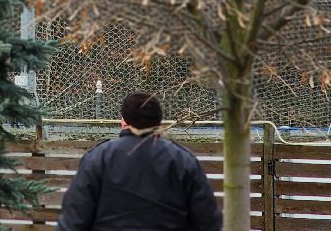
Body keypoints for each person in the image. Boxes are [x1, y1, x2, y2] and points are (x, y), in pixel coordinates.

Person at [57, 91, 222, 231]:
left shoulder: (98, 158)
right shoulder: (183, 160)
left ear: (123, 122)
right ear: (158, 122)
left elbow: (73, 219)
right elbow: (208, 221)